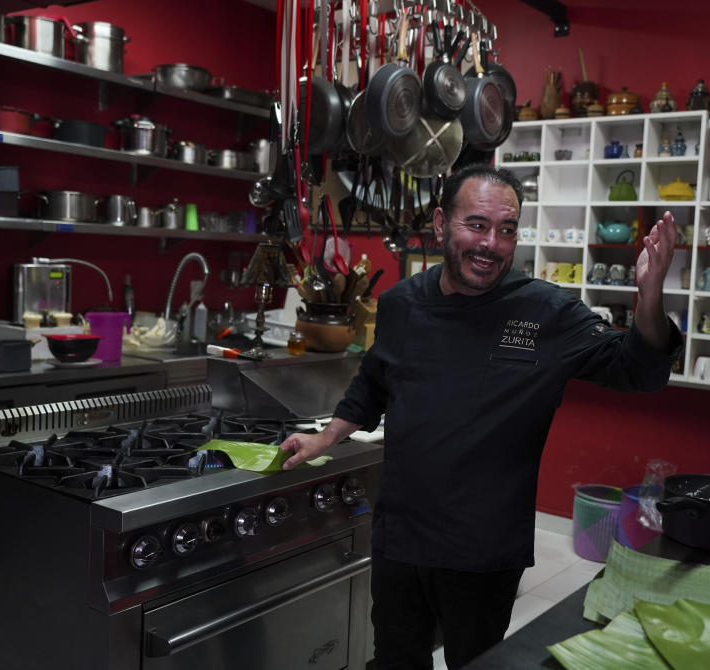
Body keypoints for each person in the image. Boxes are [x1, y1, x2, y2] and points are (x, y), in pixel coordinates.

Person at [280, 164, 682, 669]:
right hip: (402, 534)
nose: (491, 243)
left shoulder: (546, 313)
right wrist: (326, 438)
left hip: (484, 548)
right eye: (477, 224)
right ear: (441, 223)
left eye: (507, 229)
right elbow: (374, 383)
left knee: (478, 663)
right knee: (396, 659)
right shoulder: (402, 304)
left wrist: (649, 297)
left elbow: (637, 370)